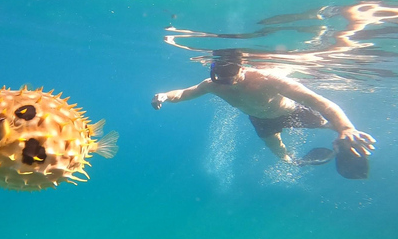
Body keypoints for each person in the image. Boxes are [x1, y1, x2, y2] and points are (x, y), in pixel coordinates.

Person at [151, 50, 376, 178]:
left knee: (328, 124)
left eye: (230, 73)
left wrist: (346, 127)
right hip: (260, 121)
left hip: (291, 113)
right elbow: (185, 93)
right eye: (220, 74)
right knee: (280, 153)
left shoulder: (269, 79)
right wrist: (165, 96)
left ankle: (343, 142)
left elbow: (321, 102)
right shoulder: (212, 85)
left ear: (243, 67)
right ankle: (298, 162)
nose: (226, 80)